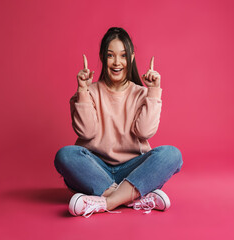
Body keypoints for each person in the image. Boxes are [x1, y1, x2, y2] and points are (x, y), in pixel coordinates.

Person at [54, 27, 183, 218]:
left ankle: (108, 201)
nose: (117, 62)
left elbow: (145, 132)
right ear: (102, 58)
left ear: (130, 59)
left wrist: (154, 91)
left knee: (172, 154)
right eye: (110, 55)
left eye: (123, 56)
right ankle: (132, 197)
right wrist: (82, 90)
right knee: (65, 155)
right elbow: (86, 133)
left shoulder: (141, 93)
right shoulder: (89, 92)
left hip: (133, 169)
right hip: (95, 169)